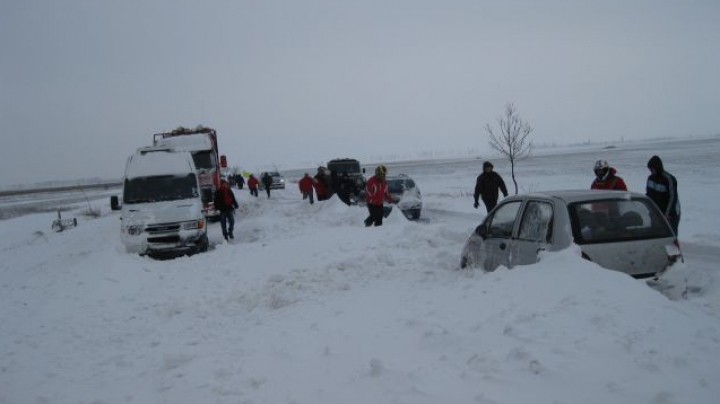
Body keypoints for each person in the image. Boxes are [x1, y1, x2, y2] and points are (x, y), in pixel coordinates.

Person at [646, 155, 680, 235]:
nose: (650, 170)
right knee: (655, 234)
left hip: (670, 214)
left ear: (657, 167)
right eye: (649, 169)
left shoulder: (669, 179)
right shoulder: (650, 178)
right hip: (656, 212)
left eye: (652, 168)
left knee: (670, 235)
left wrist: (667, 215)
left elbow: (672, 198)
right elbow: (649, 195)